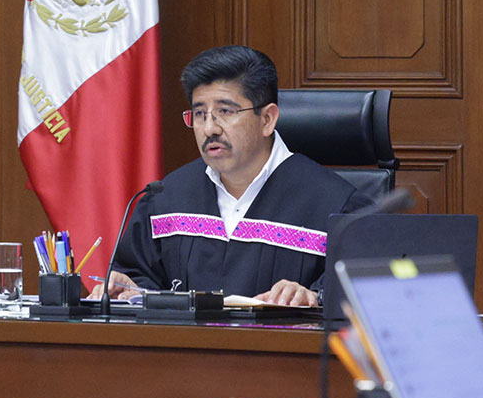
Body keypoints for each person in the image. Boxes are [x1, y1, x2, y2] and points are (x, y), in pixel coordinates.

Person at [92, 46, 369, 306]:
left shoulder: (335, 206)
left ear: (267, 119)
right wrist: (130, 289)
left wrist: (315, 296)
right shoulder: (165, 199)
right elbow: (138, 275)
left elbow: (364, 289)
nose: (209, 128)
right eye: (199, 114)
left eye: (225, 111)